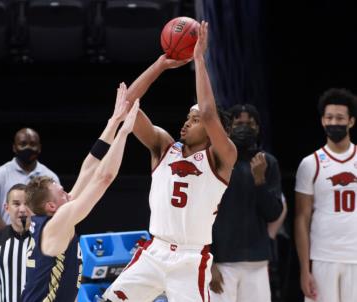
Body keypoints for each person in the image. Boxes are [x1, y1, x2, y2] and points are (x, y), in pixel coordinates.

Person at [102, 21, 237, 302]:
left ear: (213, 133)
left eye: (195, 120)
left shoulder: (222, 158)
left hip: (190, 259)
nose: (187, 123)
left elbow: (211, 113)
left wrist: (199, 59)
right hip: (154, 251)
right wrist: (161, 65)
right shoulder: (164, 147)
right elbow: (126, 105)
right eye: (188, 117)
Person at [21, 83, 139, 302]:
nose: (68, 193)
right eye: (62, 192)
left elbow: (90, 166)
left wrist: (113, 122)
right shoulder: (58, 221)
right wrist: (124, 133)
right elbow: (104, 178)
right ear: (51, 206)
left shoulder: (54, 218)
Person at [208, 104, 284, 302]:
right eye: (239, 123)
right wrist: (210, 260)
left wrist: (260, 181)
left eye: (250, 123)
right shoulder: (214, 161)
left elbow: (274, 214)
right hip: (222, 261)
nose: (245, 127)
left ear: (258, 128)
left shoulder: (268, 162)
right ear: (228, 128)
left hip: (257, 262)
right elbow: (201, 214)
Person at [295, 88, 357, 302]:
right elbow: (302, 218)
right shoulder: (310, 163)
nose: (334, 122)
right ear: (322, 121)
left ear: (351, 121)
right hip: (323, 257)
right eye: (329, 117)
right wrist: (305, 269)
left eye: (340, 118)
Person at [0, 127, 60, 230]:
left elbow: (57, 213)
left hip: (41, 240)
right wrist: (12, 236)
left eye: (32, 144)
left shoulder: (50, 177)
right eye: (23, 144)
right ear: (14, 147)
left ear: (39, 147)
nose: (28, 148)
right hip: (4, 240)